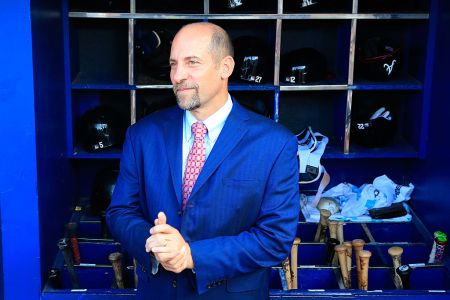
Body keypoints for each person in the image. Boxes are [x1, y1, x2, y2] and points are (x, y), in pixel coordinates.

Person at [106, 22, 300, 299]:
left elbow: (275, 238)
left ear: (226, 67)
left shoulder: (275, 143)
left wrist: (190, 255)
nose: (177, 75)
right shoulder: (143, 135)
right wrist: (155, 242)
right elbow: (120, 212)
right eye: (173, 64)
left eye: (192, 62)